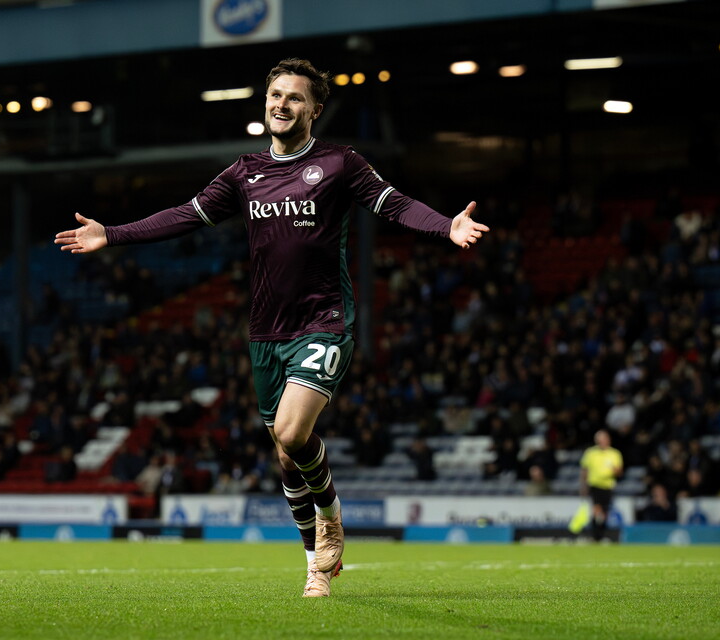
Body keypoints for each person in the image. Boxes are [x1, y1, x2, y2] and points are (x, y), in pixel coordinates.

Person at [55, 58, 489, 597]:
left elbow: (393, 204)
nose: (282, 104)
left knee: (291, 432)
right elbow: (185, 214)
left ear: (315, 109)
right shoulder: (243, 173)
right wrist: (113, 234)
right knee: (286, 454)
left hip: (324, 321)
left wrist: (446, 224)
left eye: (295, 97)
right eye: (275, 95)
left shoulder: (339, 163)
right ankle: (314, 565)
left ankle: (330, 515)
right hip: (266, 332)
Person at [579, 429, 623, 541]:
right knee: (596, 509)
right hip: (594, 485)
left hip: (608, 486)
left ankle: (600, 535)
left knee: (604, 512)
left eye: (604, 439)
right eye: (599, 439)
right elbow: (585, 470)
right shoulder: (590, 453)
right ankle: (596, 535)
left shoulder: (614, 453)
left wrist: (615, 470)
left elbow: (619, 472)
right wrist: (583, 486)